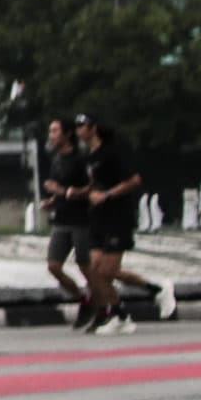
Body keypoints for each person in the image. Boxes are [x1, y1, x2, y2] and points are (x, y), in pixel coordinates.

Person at [77, 118, 176, 331]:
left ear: (93, 128)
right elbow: (93, 184)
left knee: (106, 272)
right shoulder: (90, 157)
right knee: (94, 271)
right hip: (98, 217)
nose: (77, 131)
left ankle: (128, 311)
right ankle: (129, 308)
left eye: (81, 126)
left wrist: (107, 195)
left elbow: (134, 180)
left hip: (117, 217)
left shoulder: (112, 152)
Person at [40, 119, 94, 323]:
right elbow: (59, 189)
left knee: (86, 266)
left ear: (67, 134)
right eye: (50, 131)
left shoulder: (81, 159)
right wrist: (52, 201)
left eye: (55, 131)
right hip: (61, 220)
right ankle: (83, 299)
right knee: (54, 266)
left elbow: (90, 189)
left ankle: (106, 303)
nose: (51, 136)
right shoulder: (56, 160)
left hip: (81, 220)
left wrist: (62, 191)